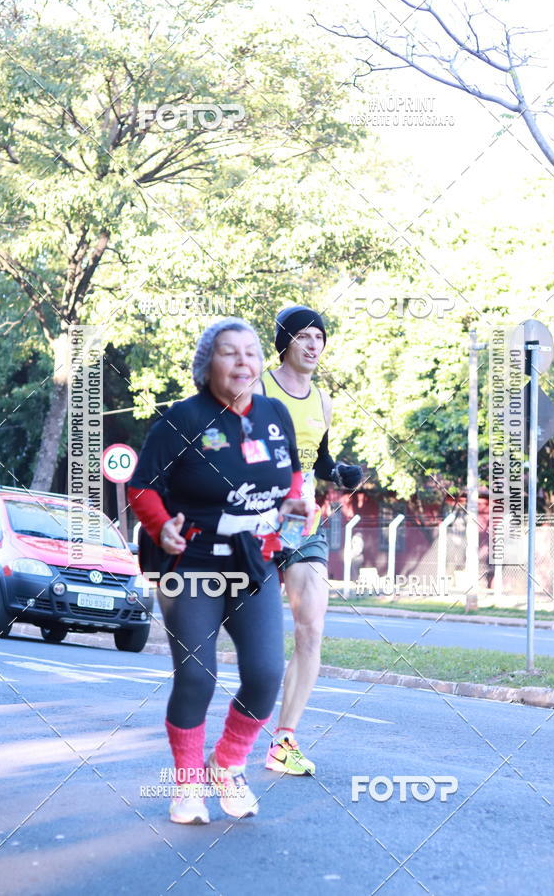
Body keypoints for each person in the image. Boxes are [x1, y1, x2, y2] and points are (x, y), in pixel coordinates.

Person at [128, 318, 313, 825]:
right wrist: (161, 525)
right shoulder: (181, 420)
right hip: (191, 563)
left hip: (253, 559)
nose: (242, 363)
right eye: (229, 353)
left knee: (266, 675)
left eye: (250, 353)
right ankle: (187, 786)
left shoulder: (275, 413)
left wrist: (295, 502)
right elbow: (142, 486)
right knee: (197, 676)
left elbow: (291, 470)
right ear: (208, 363)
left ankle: (226, 766)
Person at [258, 305, 363, 776]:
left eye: (320, 336)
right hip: (254, 523)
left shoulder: (323, 401)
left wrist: (339, 473)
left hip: (304, 527)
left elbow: (318, 462)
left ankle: (284, 740)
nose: (314, 344)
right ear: (285, 342)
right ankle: (229, 729)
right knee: (253, 640)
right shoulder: (256, 387)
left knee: (312, 627)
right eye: (304, 335)